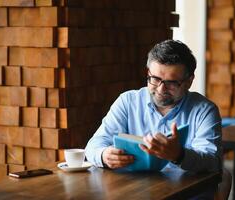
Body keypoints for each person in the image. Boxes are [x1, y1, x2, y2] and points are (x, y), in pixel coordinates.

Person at [85, 39, 222, 174]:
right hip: (133, 189)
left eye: (171, 83)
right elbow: (94, 145)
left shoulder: (204, 110)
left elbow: (212, 161)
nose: (161, 89)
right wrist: (104, 155)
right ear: (148, 73)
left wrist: (179, 155)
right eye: (155, 79)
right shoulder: (128, 101)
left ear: (189, 82)